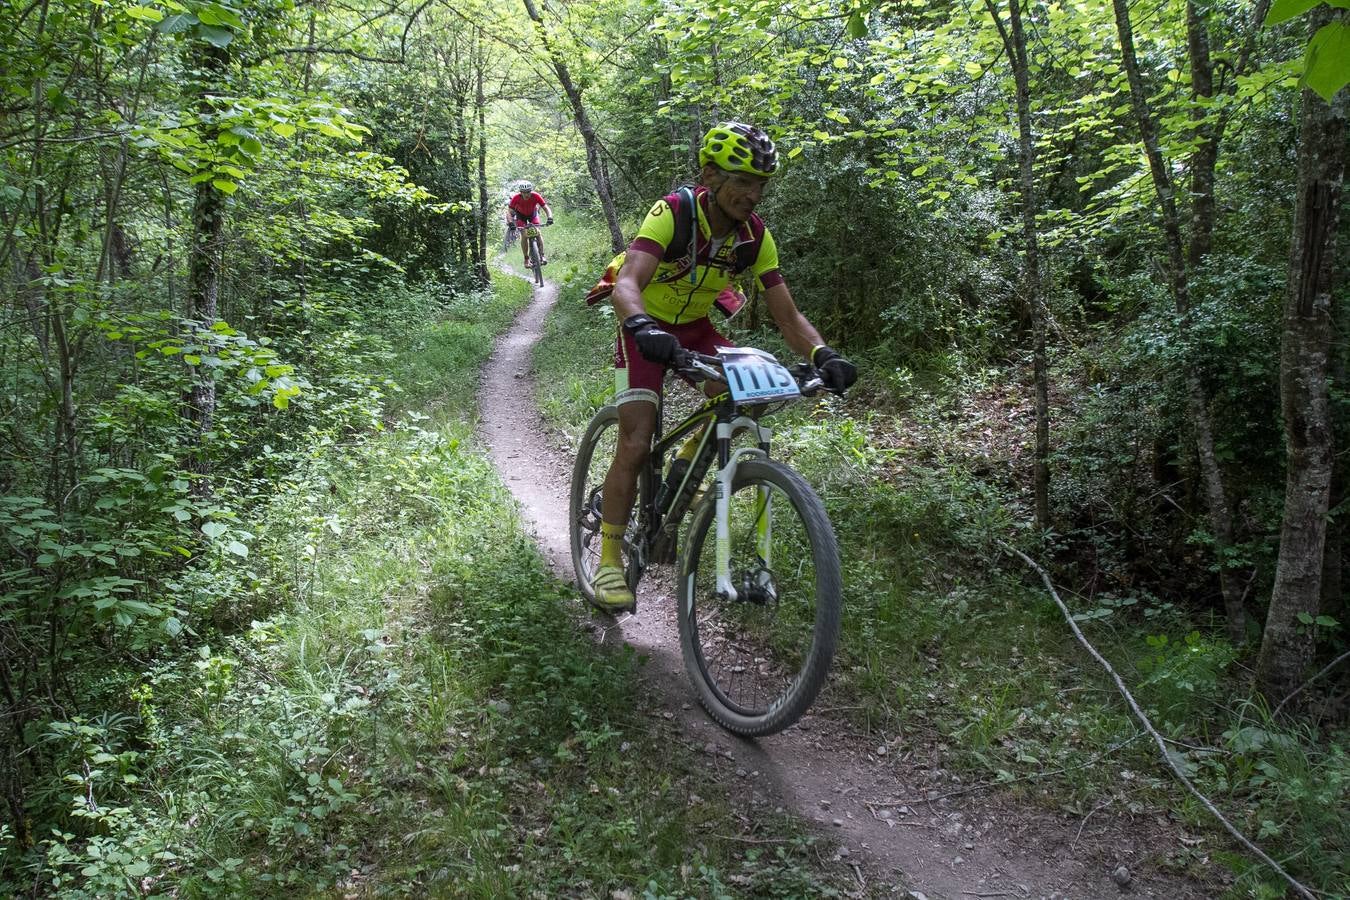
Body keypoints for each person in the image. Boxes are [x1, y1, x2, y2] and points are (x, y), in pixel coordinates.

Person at [590, 121, 858, 612]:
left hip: (696, 328)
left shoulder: (755, 236)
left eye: (761, 185)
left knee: (751, 393)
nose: (753, 195)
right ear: (711, 176)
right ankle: (609, 560)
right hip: (644, 325)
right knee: (635, 439)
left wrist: (824, 354)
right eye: (743, 181)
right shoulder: (674, 213)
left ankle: (685, 466)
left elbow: (788, 316)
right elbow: (628, 282)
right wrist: (643, 327)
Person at [506, 181, 553, 267]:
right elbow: (509, 212)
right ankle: (526, 259)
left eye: (528, 192)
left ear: (531, 191)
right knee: (524, 235)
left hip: (533, 214)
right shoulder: (516, 198)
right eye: (524, 192)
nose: (526, 194)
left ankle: (542, 255)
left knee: (538, 233)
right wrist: (510, 223)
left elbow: (546, 208)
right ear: (521, 192)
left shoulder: (536, 196)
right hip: (521, 216)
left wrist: (550, 217)